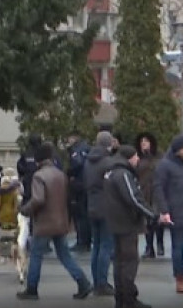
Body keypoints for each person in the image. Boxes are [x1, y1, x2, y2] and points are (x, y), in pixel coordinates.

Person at [17, 141, 92, 301]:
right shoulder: (60, 174)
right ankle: (83, 282)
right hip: (60, 220)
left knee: (36, 255)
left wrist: (25, 209)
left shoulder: (39, 176)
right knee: (64, 255)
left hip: (44, 222)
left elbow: (38, 199)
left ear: (39, 160)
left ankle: (31, 289)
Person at [105, 144, 157, 308]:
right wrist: (152, 215)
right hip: (126, 224)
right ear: (129, 157)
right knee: (129, 263)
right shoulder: (123, 174)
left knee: (119, 263)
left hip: (115, 223)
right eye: (135, 156)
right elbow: (133, 198)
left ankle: (120, 298)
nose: (138, 159)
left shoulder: (110, 172)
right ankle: (129, 299)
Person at [84, 130, 117, 296]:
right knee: (106, 246)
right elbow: (112, 185)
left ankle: (97, 282)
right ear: (108, 143)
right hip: (106, 207)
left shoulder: (88, 161)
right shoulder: (108, 162)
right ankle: (102, 284)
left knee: (96, 246)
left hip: (92, 206)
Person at [154, 133, 183, 293]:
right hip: (176, 212)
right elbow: (158, 188)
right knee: (179, 247)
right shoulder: (165, 165)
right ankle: (180, 278)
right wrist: (164, 210)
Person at [135, 132, 163, 259]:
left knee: (158, 219)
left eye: (145, 141)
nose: (143, 144)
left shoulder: (158, 157)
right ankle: (149, 247)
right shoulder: (139, 159)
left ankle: (160, 243)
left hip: (157, 191)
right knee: (148, 220)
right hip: (144, 191)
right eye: (141, 142)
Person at [65, 130, 91, 252]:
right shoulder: (87, 148)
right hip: (86, 184)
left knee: (80, 215)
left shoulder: (76, 150)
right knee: (85, 214)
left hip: (78, 185)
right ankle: (86, 240)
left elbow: (77, 163)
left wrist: (69, 172)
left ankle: (82, 241)